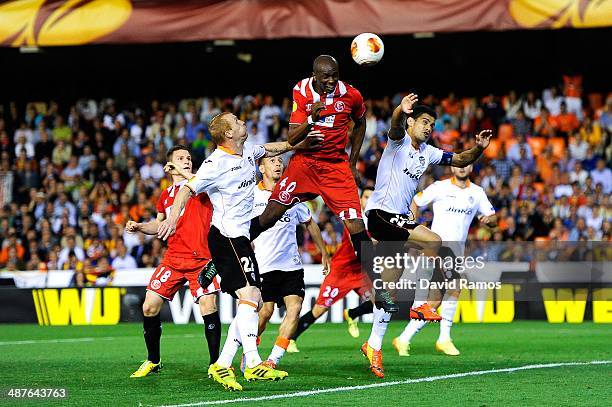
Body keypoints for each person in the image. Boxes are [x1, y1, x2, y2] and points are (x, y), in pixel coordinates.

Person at [157, 112, 322, 391]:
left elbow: (271, 148)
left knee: (253, 300)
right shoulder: (215, 163)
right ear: (228, 134)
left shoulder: (247, 151)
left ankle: (222, 364)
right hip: (226, 237)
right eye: (237, 121)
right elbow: (186, 189)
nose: (242, 122)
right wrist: (173, 217)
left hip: (241, 237)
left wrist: (298, 146)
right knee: (250, 297)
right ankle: (254, 362)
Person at [248, 55, 397, 312]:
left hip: (335, 168)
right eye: (325, 76)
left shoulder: (351, 95)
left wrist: (352, 162)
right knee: (269, 215)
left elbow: (360, 123)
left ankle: (380, 290)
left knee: (356, 226)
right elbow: (292, 137)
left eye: (334, 76)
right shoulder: (302, 90)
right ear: (315, 75)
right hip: (304, 163)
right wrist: (311, 119)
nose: (331, 81)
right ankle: (227, 251)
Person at [362, 94, 493, 378]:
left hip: (397, 222)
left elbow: (459, 158)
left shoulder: (429, 152)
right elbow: (396, 124)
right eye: (423, 122)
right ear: (411, 122)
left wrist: (479, 149)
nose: (428, 127)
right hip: (381, 215)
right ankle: (423, 305)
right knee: (433, 240)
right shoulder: (397, 142)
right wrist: (399, 109)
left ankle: (373, 346)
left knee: (387, 292)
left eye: (431, 124)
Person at [126, 145, 222, 378]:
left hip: (201, 258)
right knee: (149, 306)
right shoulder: (166, 195)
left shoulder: (201, 184)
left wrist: (183, 170)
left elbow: (199, 180)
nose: (187, 161)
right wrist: (139, 226)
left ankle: (215, 364)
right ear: (169, 166)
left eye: (188, 158)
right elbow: (160, 226)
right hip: (173, 259)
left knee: (208, 306)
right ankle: (153, 360)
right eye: (180, 158)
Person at [393, 164, 497, 357]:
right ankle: (444, 339)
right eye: (459, 164)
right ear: (452, 167)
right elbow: (416, 201)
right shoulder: (440, 187)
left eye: (466, 164)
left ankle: (403, 338)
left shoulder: (477, 192)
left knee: (434, 301)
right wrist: (412, 227)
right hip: (436, 247)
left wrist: (490, 221)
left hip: (456, 252)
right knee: (455, 287)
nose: (462, 168)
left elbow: (493, 219)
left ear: (472, 166)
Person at [252, 155, 330, 369]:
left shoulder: (291, 196)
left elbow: (310, 223)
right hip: (264, 266)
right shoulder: (252, 196)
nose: (278, 164)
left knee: (294, 309)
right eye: (272, 161)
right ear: (261, 167)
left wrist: (324, 252)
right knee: (264, 313)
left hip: (291, 266)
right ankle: (250, 351)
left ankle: (272, 360)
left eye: (279, 161)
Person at [289, 188, 376, 352]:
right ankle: (291, 339)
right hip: (340, 271)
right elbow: (357, 242)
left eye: (372, 198)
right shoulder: (354, 218)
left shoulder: (377, 220)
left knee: (380, 301)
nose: (368, 201)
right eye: (365, 197)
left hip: (360, 272)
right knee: (319, 309)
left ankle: (352, 314)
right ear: (360, 199)